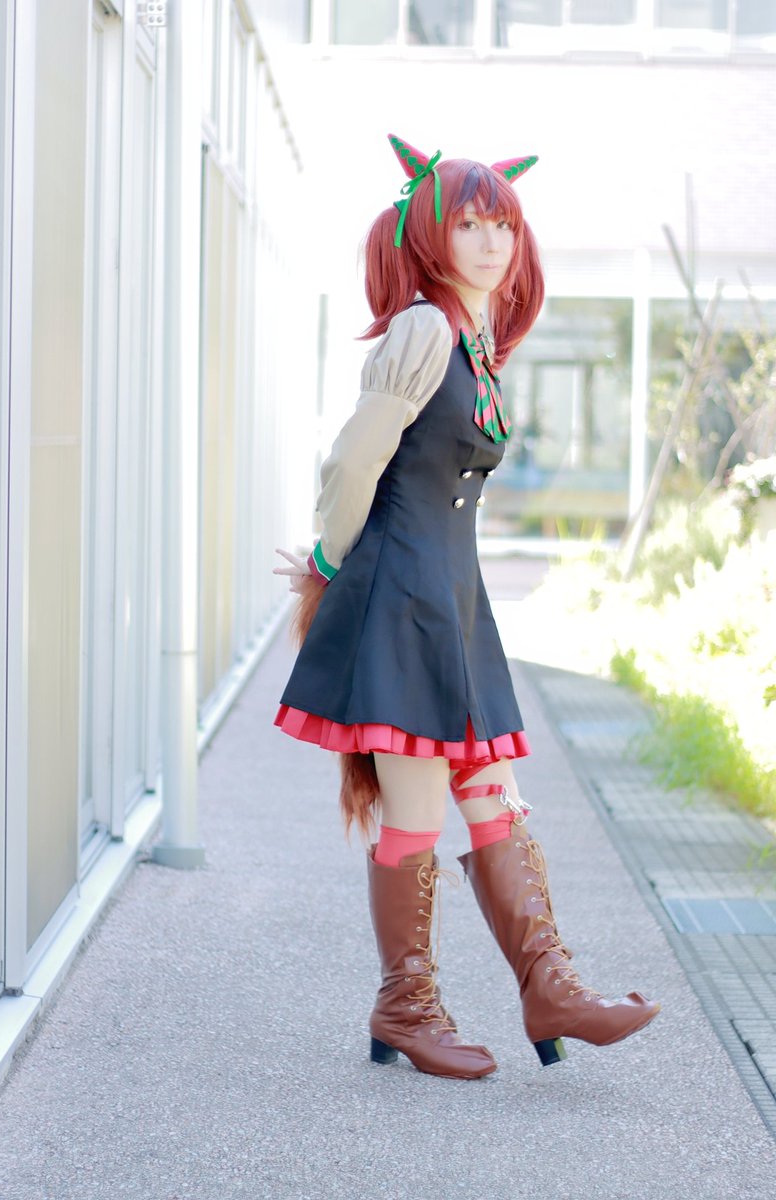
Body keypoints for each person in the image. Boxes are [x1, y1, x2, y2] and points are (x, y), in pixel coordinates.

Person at [273, 135, 660, 1080]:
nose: (491, 242)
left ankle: (550, 988)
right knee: (418, 810)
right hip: (401, 600)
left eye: (503, 226)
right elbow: (355, 458)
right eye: (470, 224)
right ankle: (405, 1007)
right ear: (431, 235)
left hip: (451, 601)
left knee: (494, 797)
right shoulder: (423, 331)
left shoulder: (475, 343)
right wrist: (325, 559)